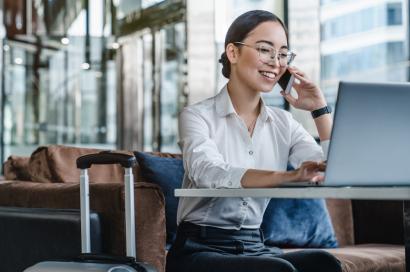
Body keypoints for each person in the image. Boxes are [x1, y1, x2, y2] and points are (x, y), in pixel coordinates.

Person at [166, 10, 341, 272]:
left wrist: (319, 109)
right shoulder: (196, 116)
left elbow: (330, 170)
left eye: (282, 54)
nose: (275, 62)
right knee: (278, 270)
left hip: (255, 245)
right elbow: (208, 172)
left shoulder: (284, 123)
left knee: (324, 263)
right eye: (265, 50)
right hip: (199, 249)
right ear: (233, 53)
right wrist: (288, 176)